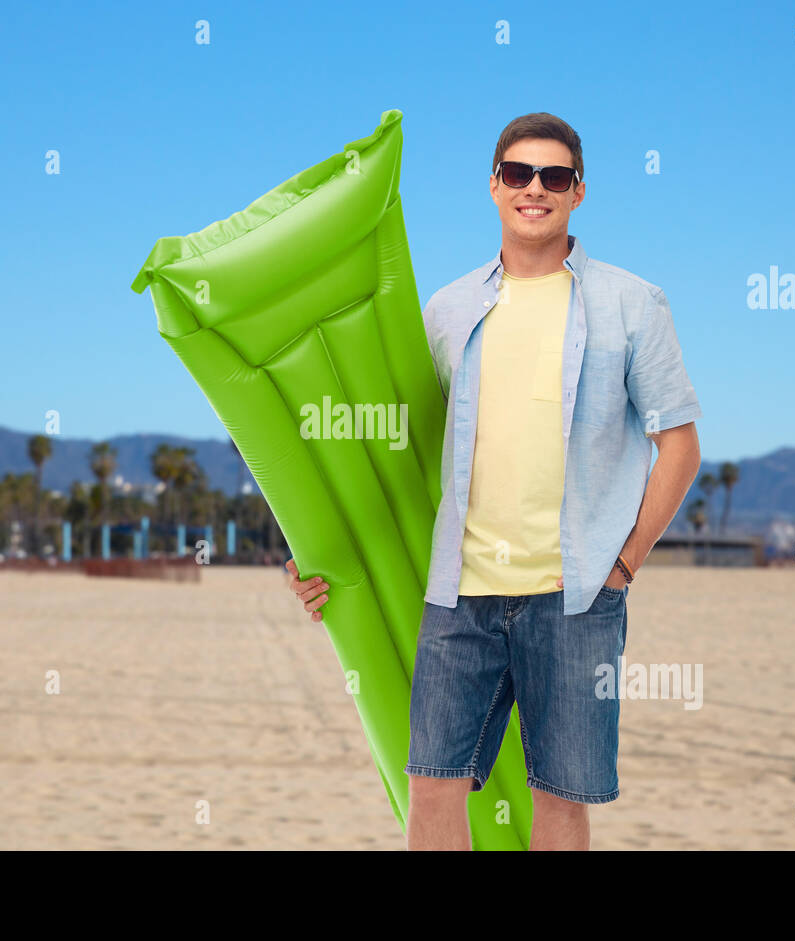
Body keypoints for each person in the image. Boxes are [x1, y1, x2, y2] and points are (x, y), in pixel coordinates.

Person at [288, 113, 703, 851]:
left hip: (576, 597)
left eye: (553, 177)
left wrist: (624, 563)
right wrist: (321, 549)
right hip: (463, 594)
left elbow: (678, 443)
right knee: (434, 783)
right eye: (518, 174)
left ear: (578, 192)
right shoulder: (448, 310)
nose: (534, 189)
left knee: (562, 797)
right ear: (493, 186)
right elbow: (400, 449)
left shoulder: (633, 304)